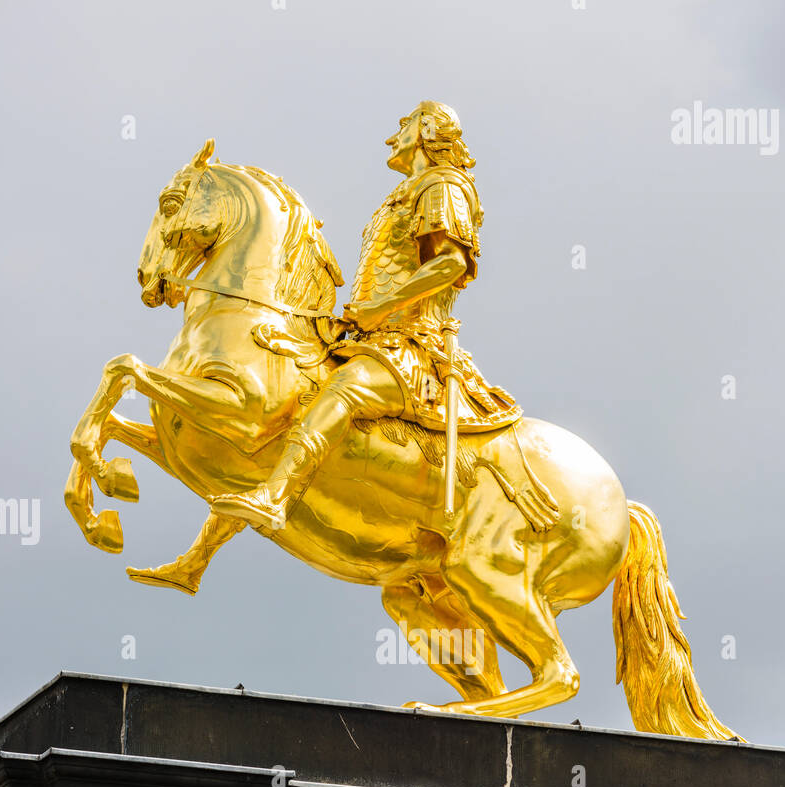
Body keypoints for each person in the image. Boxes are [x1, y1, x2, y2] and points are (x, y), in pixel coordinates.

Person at [212, 101, 559, 533]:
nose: (394, 133)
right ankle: (199, 555)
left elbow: (450, 263)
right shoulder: (406, 193)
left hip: (413, 344)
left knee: (344, 392)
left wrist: (381, 306)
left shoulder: (442, 187)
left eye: (406, 123)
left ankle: (276, 496)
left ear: (429, 131)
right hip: (369, 336)